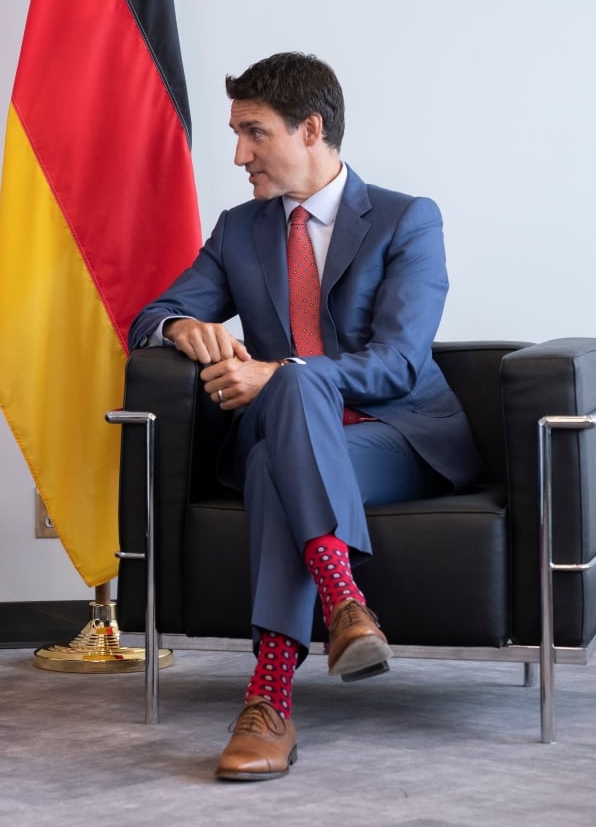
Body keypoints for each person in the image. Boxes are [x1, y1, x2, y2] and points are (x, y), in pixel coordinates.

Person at [129, 53, 483, 781]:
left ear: (311, 128)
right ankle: (344, 601)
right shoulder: (239, 231)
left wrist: (280, 374)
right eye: (236, 134)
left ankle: (269, 701)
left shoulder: (405, 220)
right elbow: (151, 313)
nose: (238, 155)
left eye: (254, 133)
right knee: (284, 418)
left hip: (393, 436)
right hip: (300, 438)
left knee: (280, 422)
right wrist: (178, 330)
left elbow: (399, 362)